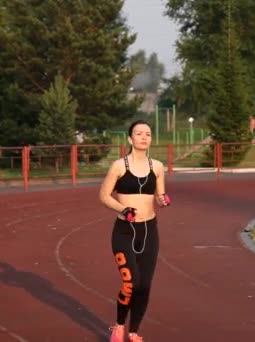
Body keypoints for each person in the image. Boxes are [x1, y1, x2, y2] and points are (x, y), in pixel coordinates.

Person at [99, 120, 170, 342]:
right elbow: (103, 196)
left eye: (148, 134)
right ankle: (119, 326)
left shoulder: (157, 167)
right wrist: (123, 209)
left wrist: (162, 199)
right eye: (139, 133)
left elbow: (159, 196)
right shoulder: (119, 166)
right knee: (131, 283)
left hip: (149, 230)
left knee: (145, 285)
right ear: (130, 139)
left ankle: (134, 331)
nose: (144, 137)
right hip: (125, 231)